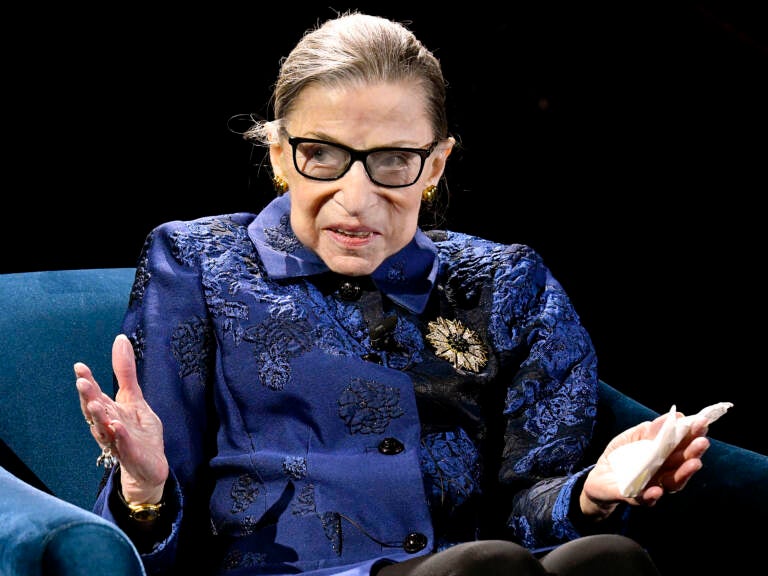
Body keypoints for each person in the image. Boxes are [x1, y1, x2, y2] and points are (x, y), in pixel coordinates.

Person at [74, 11, 712, 576]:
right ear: (277, 153)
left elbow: (527, 511)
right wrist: (144, 485)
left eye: (393, 161)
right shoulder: (200, 263)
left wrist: (589, 495)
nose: (355, 198)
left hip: (483, 565)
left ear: (434, 165)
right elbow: (147, 538)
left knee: (608, 557)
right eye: (320, 155)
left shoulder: (505, 282)